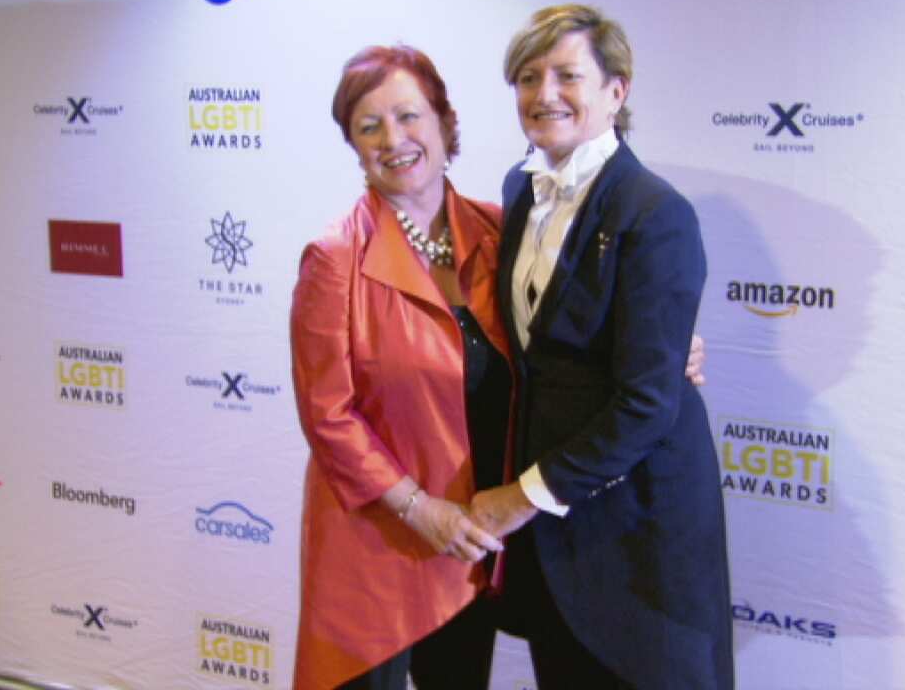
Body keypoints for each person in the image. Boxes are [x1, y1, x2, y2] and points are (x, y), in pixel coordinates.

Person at [289, 44, 708, 689]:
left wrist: (671, 349)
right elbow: (328, 417)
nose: (393, 140)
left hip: (473, 539)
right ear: (352, 143)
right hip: (379, 543)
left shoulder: (498, 228)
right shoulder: (334, 257)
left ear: (444, 123)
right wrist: (418, 509)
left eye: (409, 117)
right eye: (369, 126)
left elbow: (573, 335)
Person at [469, 4, 735, 690]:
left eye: (566, 75)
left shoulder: (657, 212)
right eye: (528, 77)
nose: (543, 93)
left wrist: (521, 497)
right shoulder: (518, 192)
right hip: (559, 541)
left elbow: (649, 401)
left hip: (638, 529)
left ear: (616, 92)